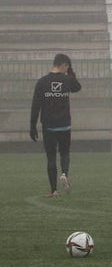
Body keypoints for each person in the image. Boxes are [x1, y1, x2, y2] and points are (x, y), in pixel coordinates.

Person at [29, 53, 81, 197]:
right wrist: (71, 73)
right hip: (64, 125)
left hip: (48, 126)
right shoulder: (67, 80)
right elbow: (77, 87)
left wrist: (32, 126)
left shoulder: (42, 82)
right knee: (64, 152)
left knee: (51, 156)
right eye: (67, 67)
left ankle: (54, 190)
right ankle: (64, 173)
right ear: (64, 65)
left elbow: (35, 105)